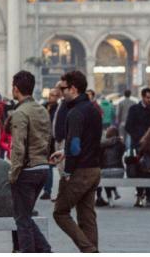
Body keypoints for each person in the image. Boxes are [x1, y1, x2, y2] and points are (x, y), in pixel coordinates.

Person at [50, 70, 103, 253]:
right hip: (94, 168)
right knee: (87, 215)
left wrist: (67, 172)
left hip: (80, 170)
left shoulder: (75, 113)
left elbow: (75, 145)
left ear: (73, 89)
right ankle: (92, 250)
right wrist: (63, 152)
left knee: (60, 212)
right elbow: (88, 140)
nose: (60, 92)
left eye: (63, 88)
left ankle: (89, 249)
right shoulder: (93, 109)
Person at [7, 70, 52, 253]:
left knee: (22, 220)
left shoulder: (20, 112)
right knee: (24, 215)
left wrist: (13, 173)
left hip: (27, 170)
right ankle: (46, 251)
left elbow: (18, 146)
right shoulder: (42, 110)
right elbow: (48, 138)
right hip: (43, 167)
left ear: (15, 89)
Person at [125, 87, 150, 206]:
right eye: (148, 98)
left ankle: (148, 195)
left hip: (149, 145)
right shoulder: (134, 109)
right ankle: (139, 195)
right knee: (138, 169)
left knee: (149, 169)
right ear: (143, 97)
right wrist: (138, 137)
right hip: (137, 144)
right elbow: (128, 126)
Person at [41, 85, 62, 200]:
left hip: (53, 141)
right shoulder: (43, 107)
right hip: (42, 140)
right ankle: (46, 190)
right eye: (50, 95)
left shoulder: (58, 109)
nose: (51, 97)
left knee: (51, 166)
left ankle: (48, 190)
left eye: (54, 95)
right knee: (44, 166)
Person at [96, 126, 124, 207]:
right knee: (108, 175)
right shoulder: (121, 144)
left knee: (104, 176)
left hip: (106, 171)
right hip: (120, 171)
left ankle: (110, 199)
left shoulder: (103, 145)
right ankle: (115, 191)